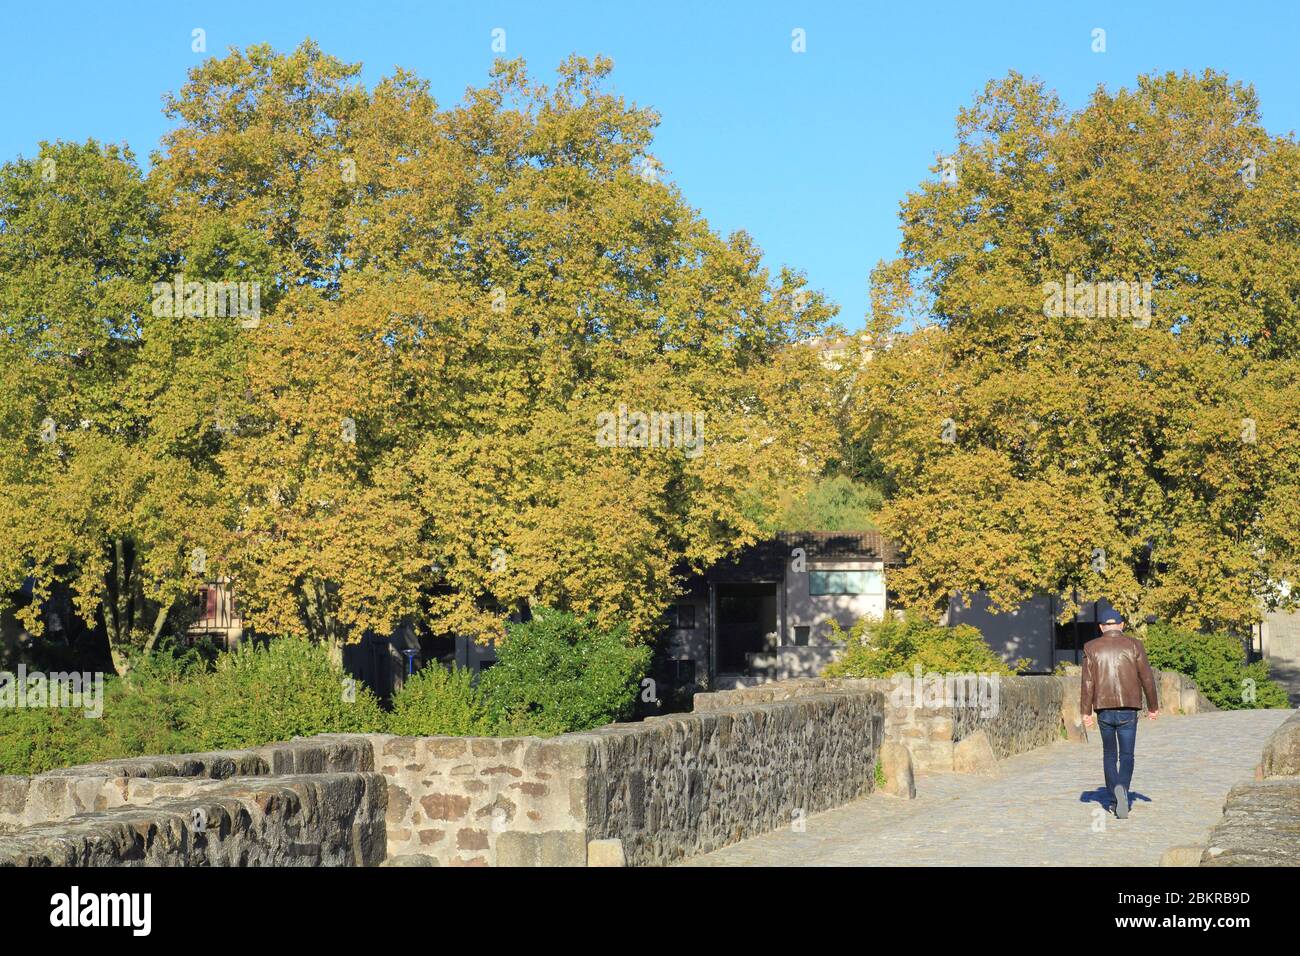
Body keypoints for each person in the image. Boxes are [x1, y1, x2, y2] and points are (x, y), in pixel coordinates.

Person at [1080, 614, 1159, 818]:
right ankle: (1122, 788)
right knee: (1126, 755)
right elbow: (1147, 678)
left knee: (1109, 755)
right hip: (1129, 707)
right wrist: (1153, 706)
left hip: (1103, 708)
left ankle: (1115, 798)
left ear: (1100, 627)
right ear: (1122, 624)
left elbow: (1088, 683)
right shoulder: (1134, 645)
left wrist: (1085, 711)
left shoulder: (1091, 647)